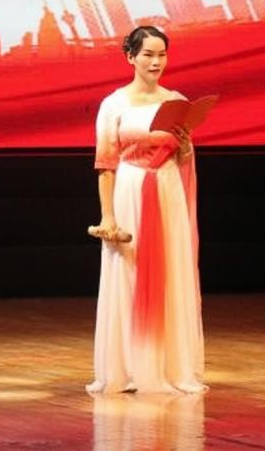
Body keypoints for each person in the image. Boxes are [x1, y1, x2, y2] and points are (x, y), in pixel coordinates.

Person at [87, 26, 205, 394]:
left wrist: (185, 147)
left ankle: (167, 367)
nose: (156, 62)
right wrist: (108, 215)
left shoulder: (176, 100)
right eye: (148, 55)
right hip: (130, 187)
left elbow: (184, 156)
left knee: (170, 270)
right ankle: (127, 367)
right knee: (128, 272)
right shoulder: (115, 104)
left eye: (161, 55)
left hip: (167, 186)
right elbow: (106, 165)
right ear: (131, 57)